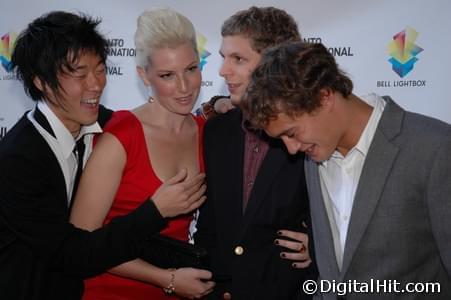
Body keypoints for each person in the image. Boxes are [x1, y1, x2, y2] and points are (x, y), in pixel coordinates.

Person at [0, 11, 206, 300]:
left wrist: (220, 106)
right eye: (79, 74)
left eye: (99, 69)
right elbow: (74, 254)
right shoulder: (16, 161)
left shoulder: (104, 123)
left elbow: (148, 121)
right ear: (41, 82)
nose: (95, 84)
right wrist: (156, 211)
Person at [242, 41, 451, 299]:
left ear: (323, 97)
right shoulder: (314, 157)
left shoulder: (434, 148)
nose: (292, 149)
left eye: (291, 133)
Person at [70, 8, 215, 300]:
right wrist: (166, 279)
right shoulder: (121, 138)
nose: (185, 87)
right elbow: (79, 245)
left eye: (191, 68)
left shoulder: (207, 131)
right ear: (143, 75)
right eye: (167, 75)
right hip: (110, 292)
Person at [194, 7, 317, 299]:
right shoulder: (216, 130)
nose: (223, 70)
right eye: (224, 57)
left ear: (276, 65)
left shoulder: (311, 133)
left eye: (238, 59)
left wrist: (320, 246)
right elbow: (210, 225)